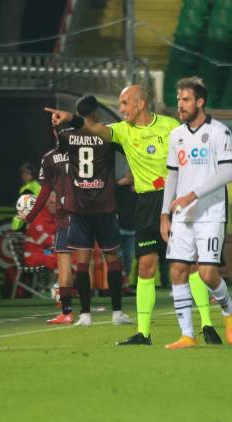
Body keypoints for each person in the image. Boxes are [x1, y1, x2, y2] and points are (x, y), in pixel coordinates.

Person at [47, 86, 219, 345]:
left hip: (174, 200)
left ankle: (207, 325)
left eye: (125, 103)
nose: (122, 108)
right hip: (146, 203)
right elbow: (93, 129)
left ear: (140, 104)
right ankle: (144, 333)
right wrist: (70, 118)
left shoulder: (170, 126)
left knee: (189, 264)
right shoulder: (122, 131)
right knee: (146, 267)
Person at [160, 76, 232, 349]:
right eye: (178, 100)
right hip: (182, 214)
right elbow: (172, 175)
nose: (180, 105)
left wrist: (193, 194)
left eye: (185, 100)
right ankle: (187, 335)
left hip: (210, 212)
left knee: (207, 274)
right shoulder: (176, 135)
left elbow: (227, 172)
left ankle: (229, 311)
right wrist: (164, 214)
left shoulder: (220, 132)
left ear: (200, 101)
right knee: (178, 270)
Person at [45, 96, 129, 327]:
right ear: (96, 114)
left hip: (79, 207)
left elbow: (59, 148)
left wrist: (57, 125)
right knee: (112, 260)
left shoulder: (66, 136)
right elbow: (128, 148)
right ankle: (117, 313)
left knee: (82, 262)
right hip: (104, 206)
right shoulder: (107, 136)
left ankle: (85, 315)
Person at [24, 130, 76, 323]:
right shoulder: (83, 152)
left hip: (69, 217)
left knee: (66, 263)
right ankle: (82, 312)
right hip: (83, 214)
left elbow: (46, 190)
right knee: (77, 261)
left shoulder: (50, 158)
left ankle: (67, 311)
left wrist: (30, 215)